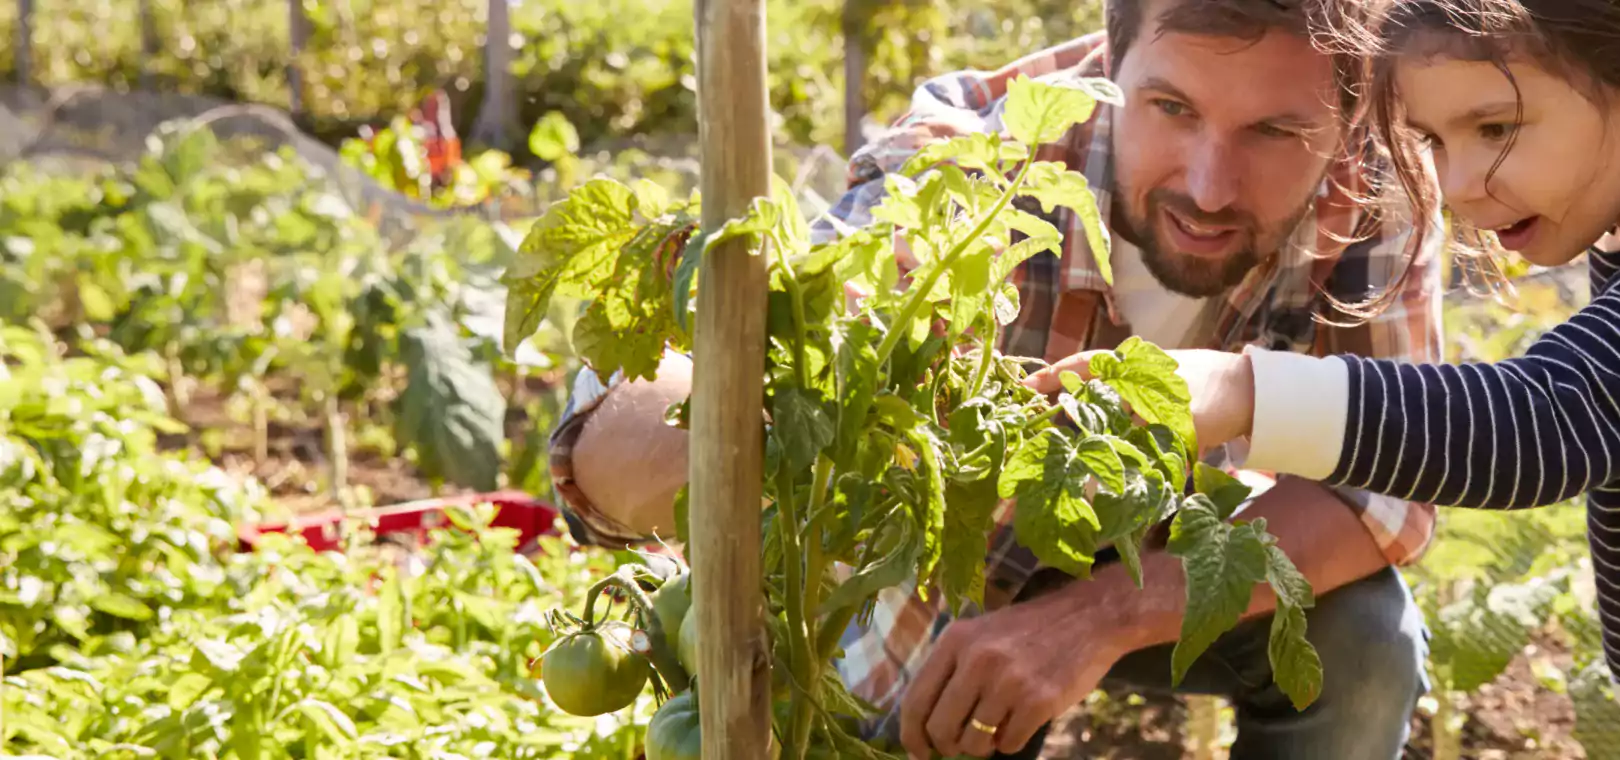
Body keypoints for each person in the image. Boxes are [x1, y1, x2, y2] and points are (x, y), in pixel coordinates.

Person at [545, 1, 1450, 757]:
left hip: (1161, 545)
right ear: (1112, 52)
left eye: (1276, 131)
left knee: (1363, 642)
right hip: (951, 579)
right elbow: (628, 425)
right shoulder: (980, 153)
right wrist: (775, 425)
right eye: (1171, 108)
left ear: (1351, 110)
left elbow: (1387, 490)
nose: (1210, 187)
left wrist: (1097, 619)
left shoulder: (1380, 189)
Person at [1036, 0, 1620, 756]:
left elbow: (1534, 425)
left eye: (1495, 129)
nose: (1456, 187)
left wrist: (1243, 392)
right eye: (1430, 139)